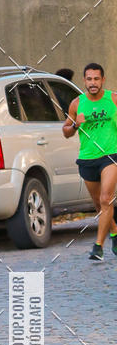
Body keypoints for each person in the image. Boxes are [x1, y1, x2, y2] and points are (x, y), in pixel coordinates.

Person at [63, 61, 117, 261]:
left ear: (103, 80)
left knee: (106, 199)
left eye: (96, 79)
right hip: (87, 158)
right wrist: (75, 125)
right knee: (99, 204)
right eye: (89, 79)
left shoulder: (113, 99)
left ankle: (98, 246)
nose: (93, 83)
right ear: (84, 81)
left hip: (110, 155)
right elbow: (66, 131)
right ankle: (114, 231)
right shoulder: (77, 103)